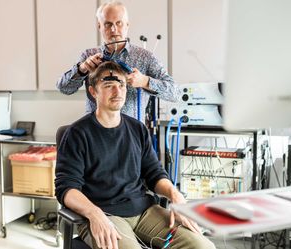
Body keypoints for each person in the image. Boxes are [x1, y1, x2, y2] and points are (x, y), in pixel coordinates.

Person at [55, 61, 215, 249]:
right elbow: (66, 188)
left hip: (144, 211)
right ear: (93, 92)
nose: (117, 91)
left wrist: (175, 195)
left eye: (121, 84)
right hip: (104, 214)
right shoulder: (77, 134)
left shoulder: (137, 128)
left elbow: (154, 173)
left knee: (202, 246)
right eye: (108, 85)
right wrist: (94, 214)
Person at [56, 1, 180, 120]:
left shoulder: (145, 57)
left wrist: (145, 81)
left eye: (119, 23)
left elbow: (175, 93)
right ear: (99, 26)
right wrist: (81, 69)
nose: (114, 30)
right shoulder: (89, 55)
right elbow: (64, 88)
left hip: (132, 134)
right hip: (95, 134)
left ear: (127, 25)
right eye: (108, 24)